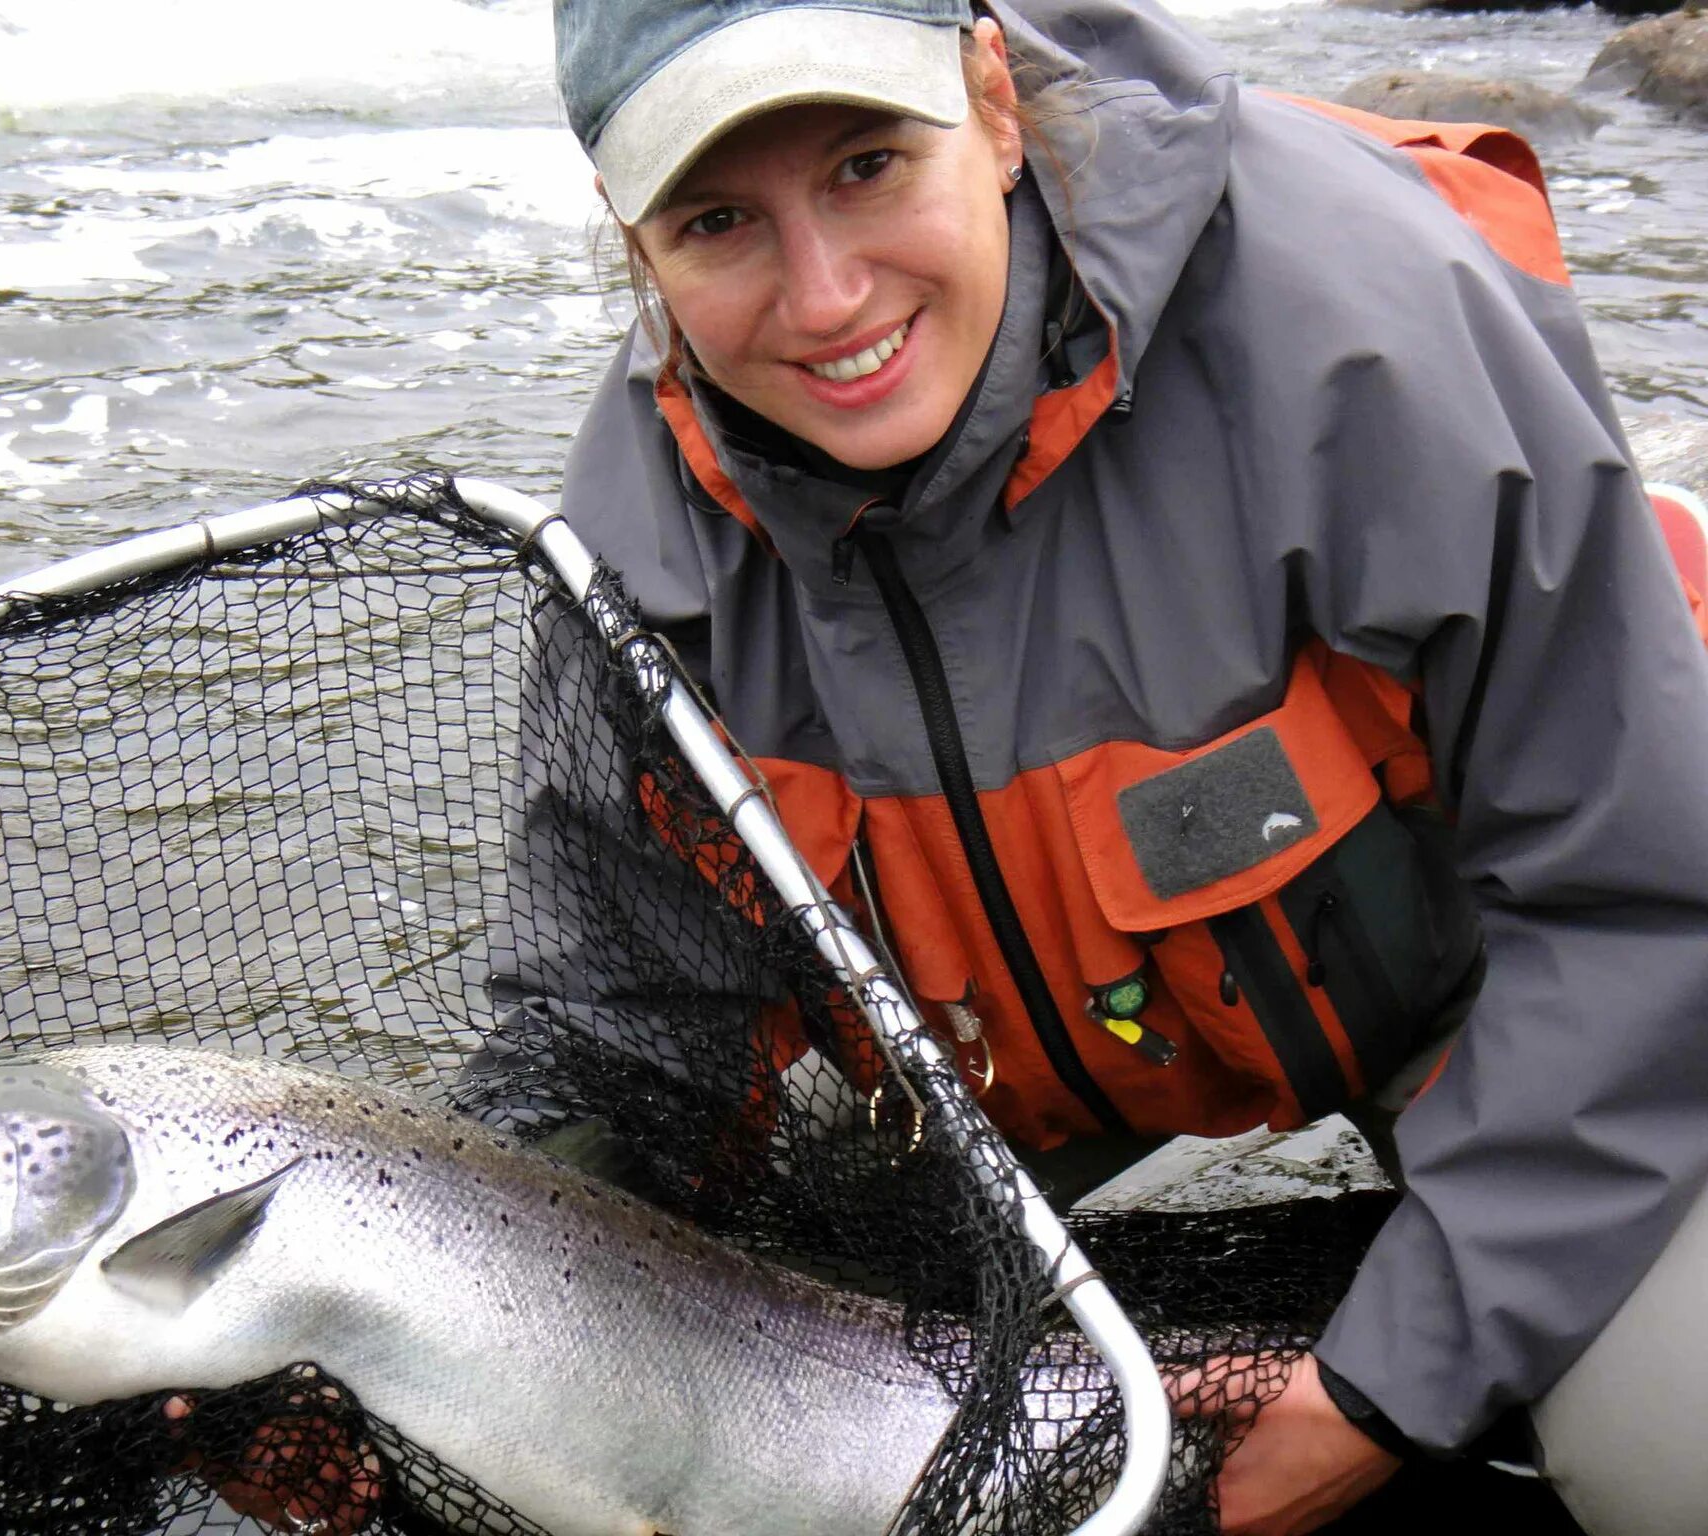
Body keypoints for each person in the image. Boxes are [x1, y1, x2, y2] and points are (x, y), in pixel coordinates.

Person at [493, 0, 1708, 1533]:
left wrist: (1387, 1387)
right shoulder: (633, 546)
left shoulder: (1371, 332)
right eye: (718, 220)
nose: (826, 295)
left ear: (995, 104)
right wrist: (433, 1351)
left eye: (869, 164)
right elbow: (623, 1036)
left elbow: (1642, 903)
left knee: (1678, 1444)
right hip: (992, 1075)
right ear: (635, 240)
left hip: (1488, 982)